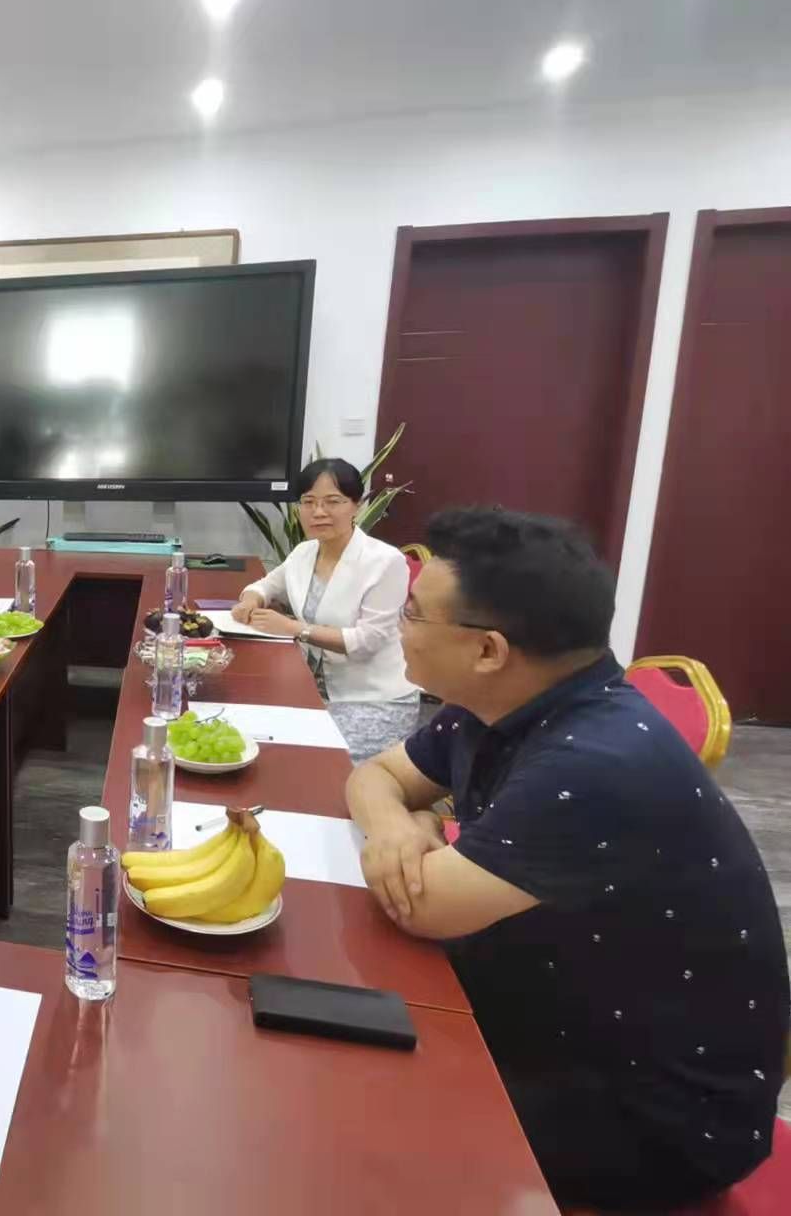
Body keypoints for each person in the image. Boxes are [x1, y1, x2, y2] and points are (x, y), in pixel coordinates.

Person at [346, 507, 787, 1211]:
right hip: (549, 1018)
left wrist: (412, 827)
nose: (401, 626)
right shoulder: (504, 699)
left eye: (412, 612)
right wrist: (401, 827)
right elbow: (375, 776)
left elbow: (422, 906)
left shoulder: (598, 760)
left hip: (651, 1114)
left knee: (349, 1118)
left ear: (488, 649)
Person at [232, 457, 418, 760]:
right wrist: (250, 600)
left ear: (356, 505)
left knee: (320, 767)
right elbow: (265, 586)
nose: (318, 512)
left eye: (333, 501)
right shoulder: (304, 552)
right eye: (308, 502)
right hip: (311, 689)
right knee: (257, 748)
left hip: (372, 700)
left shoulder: (385, 562)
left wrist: (295, 629)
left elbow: (367, 641)